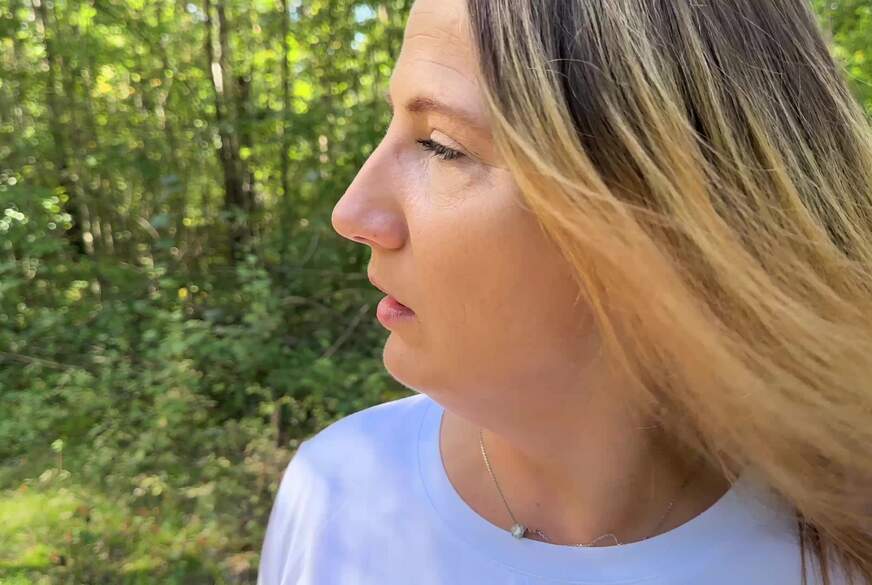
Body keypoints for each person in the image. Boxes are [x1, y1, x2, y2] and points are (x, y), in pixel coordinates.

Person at [257, 0, 872, 583]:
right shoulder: (336, 495)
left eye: (442, 146)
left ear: (667, 214)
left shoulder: (838, 546)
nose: (351, 213)